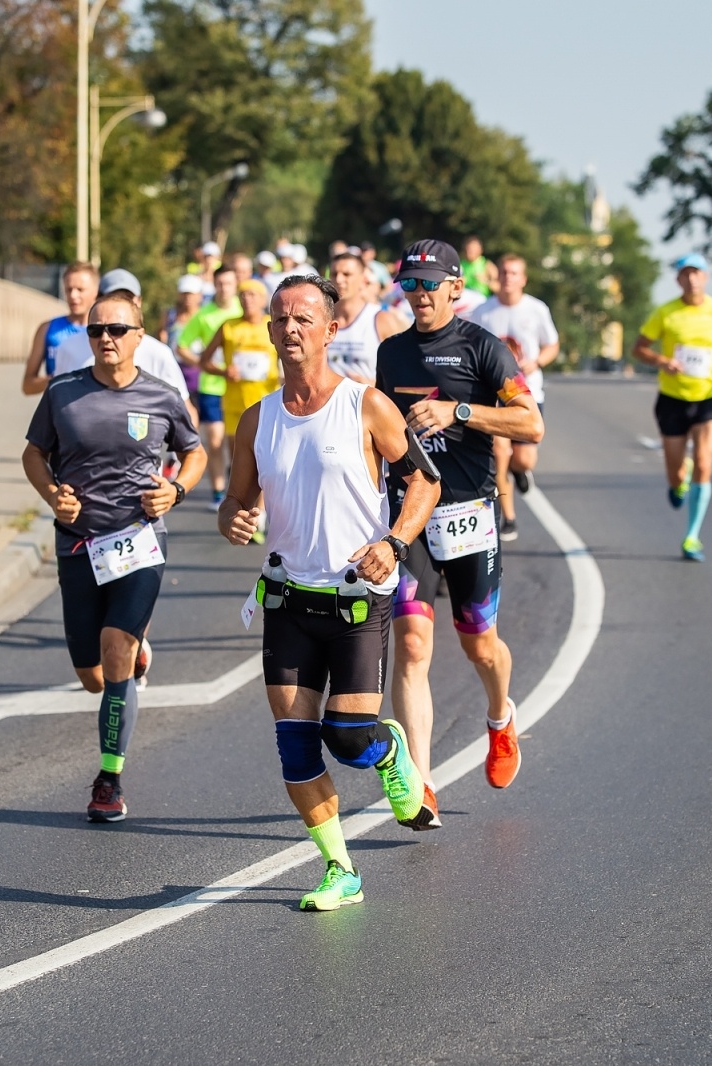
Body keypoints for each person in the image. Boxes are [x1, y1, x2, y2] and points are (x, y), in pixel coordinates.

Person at [219, 275, 440, 910]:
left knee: (346, 737)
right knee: (293, 743)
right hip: (288, 599)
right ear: (268, 330)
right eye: (281, 319)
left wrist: (395, 543)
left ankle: (389, 747)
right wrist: (232, 518)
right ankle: (340, 869)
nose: (292, 329)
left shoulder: (365, 405)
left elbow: (425, 481)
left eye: (305, 319)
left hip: (355, 602)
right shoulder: (256, 420)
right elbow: (238, 499)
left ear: (330, 329)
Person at [376, 239, 543, 830]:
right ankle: (420, 784)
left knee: (479, 645)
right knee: (414, 645)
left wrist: (460, 413)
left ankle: (500, 716)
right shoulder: (391, 354)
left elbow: (532, 424)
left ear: (454, 288)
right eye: (409, 285)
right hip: (411, 518)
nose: (417, 294)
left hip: (470, 514)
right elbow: (382, 434)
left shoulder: (483, 347)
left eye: (428, 284)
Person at [22, 292, 205, 823]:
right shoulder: (63, 393)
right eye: (97, 329)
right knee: (91, 674)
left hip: (139, 542)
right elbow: (34, 452)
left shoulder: (162, 396)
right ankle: (135, 655)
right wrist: (53, 493)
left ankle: (109, 778)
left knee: (115, 647)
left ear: (139, 337)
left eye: (117, 330)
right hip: (78, 544)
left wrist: (176, 491)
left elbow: (193, 453)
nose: (106, 338)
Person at [631, 253, 712, 563]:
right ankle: (677, 484)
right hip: (672, 399)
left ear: (706, 277)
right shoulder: (666, 313)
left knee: (704, 461)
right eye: (686, 274)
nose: (692, 279)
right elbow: (639, 348)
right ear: (678, 280)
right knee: (676, 471)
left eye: (697, 273)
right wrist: (661, 361)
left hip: (706, 398)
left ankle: (692, 536)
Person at [469, 253, 559, 542]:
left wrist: (538, 362)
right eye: (504, 272)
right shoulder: (484, 311)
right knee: (500, 454)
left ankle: (522, 473)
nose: (508, 278)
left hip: (526, 391)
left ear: (523, 279)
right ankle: (508, 516)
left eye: (514, 273)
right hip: (493, 393)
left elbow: (552, 344)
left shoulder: (536, 309)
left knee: (524, 459)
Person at [202, 281, 281, 538]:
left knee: (264, 458)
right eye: (243, 295)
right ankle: (244, 510)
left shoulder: (274, 324)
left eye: (253, 295)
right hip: (235, 403)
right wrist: (224, 370)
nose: (247, 299)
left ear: (262, 299)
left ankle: (259, 515)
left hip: (266, 401)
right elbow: (204, 360)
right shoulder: (229, 327)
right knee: (239, 458)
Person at [46, 270, 190, 405]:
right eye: (113, 297)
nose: (106, 339)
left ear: (139, 301)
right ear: (98, 300)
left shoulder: (159, 353)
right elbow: (57, 401)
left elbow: (184, 411)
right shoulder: (68, 347)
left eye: (128, 298)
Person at [176, 263, 242, 507]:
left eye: (228, 283)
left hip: (241, 388)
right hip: (211, 387)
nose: (224, 288)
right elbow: (181, 345)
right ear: (213, 285)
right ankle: (217, 492)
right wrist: (201, 364)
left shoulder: (243, 310)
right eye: (220, 283)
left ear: (236, 284)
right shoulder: (203, 314)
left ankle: (236, 483)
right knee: (214, 442)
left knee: (237, 444)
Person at [22, 262, 100, 395]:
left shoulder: (105, 332)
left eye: (80, 289)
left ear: (95, 291)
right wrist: (55, 380)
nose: (73, 296)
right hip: (59, 409)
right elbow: (27, 386)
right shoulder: (48, 329)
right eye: (69, 289)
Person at [326, 251, 401, 385]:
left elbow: (404, 372)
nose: (339, 279)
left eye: (346, 274)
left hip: (367, 403)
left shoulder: (380, 319)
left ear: (362, 280)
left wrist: (375, 386)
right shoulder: (321, 320)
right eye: (334, 274)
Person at [163, 274, 205, 405]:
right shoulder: (170, 314)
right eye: (184, 293)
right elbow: (162, 333)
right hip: (173, 367)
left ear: (199, 295)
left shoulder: (205, 316)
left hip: (197, 370)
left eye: (191, 294)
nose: (188, 298)